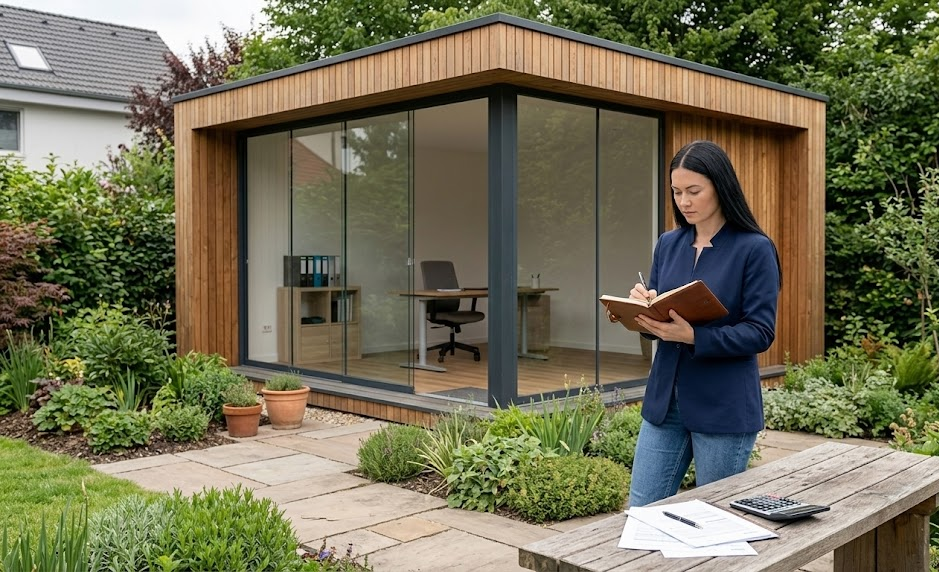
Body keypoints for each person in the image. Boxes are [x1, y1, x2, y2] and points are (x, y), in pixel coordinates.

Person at [612, 140, 782, 507]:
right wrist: (641, 310)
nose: (683, 201)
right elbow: (661, 321)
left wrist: (695, 336)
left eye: (693, 191)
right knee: (641, 511)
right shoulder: (668, 244)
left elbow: (761, 331)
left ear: (720, 187)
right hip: (664, 402)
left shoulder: (755, 248)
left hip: (723, 405)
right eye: (676, 192)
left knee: (716, 518)